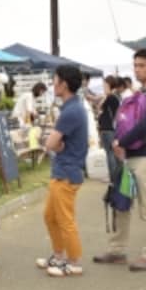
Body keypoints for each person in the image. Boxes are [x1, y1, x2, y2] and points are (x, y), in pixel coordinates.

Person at [94, 48, 146, 272]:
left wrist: (120, 142)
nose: (138, 69)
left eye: (143, 65)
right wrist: (122, 145)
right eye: (135, 65)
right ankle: (117, 249)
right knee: (121, 204)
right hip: (129, 157)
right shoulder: (138, 95)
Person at [36, 65, 88, 277]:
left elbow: (49, 143)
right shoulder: (73, 107)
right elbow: (56, 143)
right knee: (50, 216)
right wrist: (58, 144)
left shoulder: (71, 110)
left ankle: (74, 262)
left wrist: (55, 144)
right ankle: (58, 256)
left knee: (65, 220)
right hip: (64, 170)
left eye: (55, 80)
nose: (52, 84)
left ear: (64, 84)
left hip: (67, 172)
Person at [97, 76, 122, 183]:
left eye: (105, 84)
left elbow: (100, 107)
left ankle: (114, 178)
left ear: (108, 84)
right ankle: (117, 177)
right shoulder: (116, 97)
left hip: (108, 128)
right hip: (112, 128)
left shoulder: (110, 97)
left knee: (110, 153)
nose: (103, 86)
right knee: (114, 153)